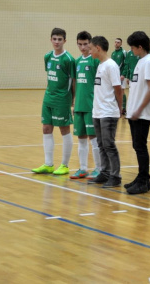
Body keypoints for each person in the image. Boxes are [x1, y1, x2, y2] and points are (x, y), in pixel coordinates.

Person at [33, 28, 76, 175]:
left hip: (62, 99)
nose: (57, 42)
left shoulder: (69, 59)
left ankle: (64, 165)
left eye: (60, 39)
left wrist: (73, 99)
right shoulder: (47, 56)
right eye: (54, 39)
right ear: (50, 39)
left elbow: (73, 80)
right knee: (46, 128)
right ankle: (48, 164)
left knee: (64, 129)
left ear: (64, 41)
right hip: (48, 97)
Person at [124, 31, 150, 194]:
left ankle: (144, 181)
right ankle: (141, 177)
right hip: (134, 112)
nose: (131, 50)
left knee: (140, 146)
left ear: (140, 46)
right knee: (137, 146)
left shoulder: (149, 62)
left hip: (142, 114)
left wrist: (139, 109)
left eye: (132, 47)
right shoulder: (140, 61)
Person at [87, 36, 124, 187]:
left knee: (109, 144)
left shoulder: (111, 65)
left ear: (98, 48)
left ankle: (115, 176)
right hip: (98, 111)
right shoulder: (100, 65)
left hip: (108, 112)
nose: (89, 51)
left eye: (90, 48)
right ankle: (105, 172)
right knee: (101, 144)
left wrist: (120, 108)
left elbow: (118, 89)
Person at [70, 31, 101, 179]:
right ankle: (83, 168)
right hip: (79, 106)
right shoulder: (77, 61)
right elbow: (75, 82)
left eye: (85, 44)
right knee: (81, 138)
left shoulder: (95, 61)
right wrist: (73, 101)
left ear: (91, 44)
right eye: (80, 44)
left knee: (93, 137)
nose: (83, 47)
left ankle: (99, 168)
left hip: (91, 106)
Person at [111, 38, 128, 115]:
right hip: (114, 75)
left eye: (118, 42)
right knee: (115, 91)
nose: (116, 43)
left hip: (121, 75)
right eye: (115, 42)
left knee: (122, 91)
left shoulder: (123, 52)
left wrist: (123, 74)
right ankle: (116, 107)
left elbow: (126, 63)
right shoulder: (113, 53)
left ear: (121, 44)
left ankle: (123, 108)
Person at [122, 45, 140, 116]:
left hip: (139, 77)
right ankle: (130, 111)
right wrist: (128, 77)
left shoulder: (140, 53)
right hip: (132, 78)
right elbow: (127, 65)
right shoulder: (129, 53)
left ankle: (137, 111)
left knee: (138, 94)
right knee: (131, 94)